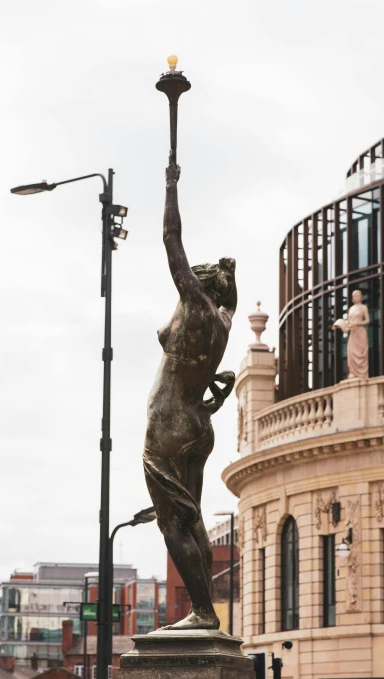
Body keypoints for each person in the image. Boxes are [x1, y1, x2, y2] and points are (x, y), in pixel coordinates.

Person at [143, 158, 237, 631]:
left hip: (170, 424)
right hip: (198, 425)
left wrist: (170, 185)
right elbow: (230, 295)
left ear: (200, 284)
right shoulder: (222, 320)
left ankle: (202, 611)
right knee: (193, 516)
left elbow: (170, 239)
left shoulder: (197, 307)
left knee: (172, 523)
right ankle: (206, 612)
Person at [333, 289, 370, 379]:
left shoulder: (363, 307)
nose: (356, 297)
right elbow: (349, 322)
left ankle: (362, 373)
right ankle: (353, 372)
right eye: (354, 295)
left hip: (360, 332)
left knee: (361, 352)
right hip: (352, 332)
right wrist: (342, 326)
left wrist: (357, 323)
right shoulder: (351, 309)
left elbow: (367, 321)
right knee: (351, 352)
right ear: (352, 298)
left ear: (361, 296)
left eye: (358, 295)